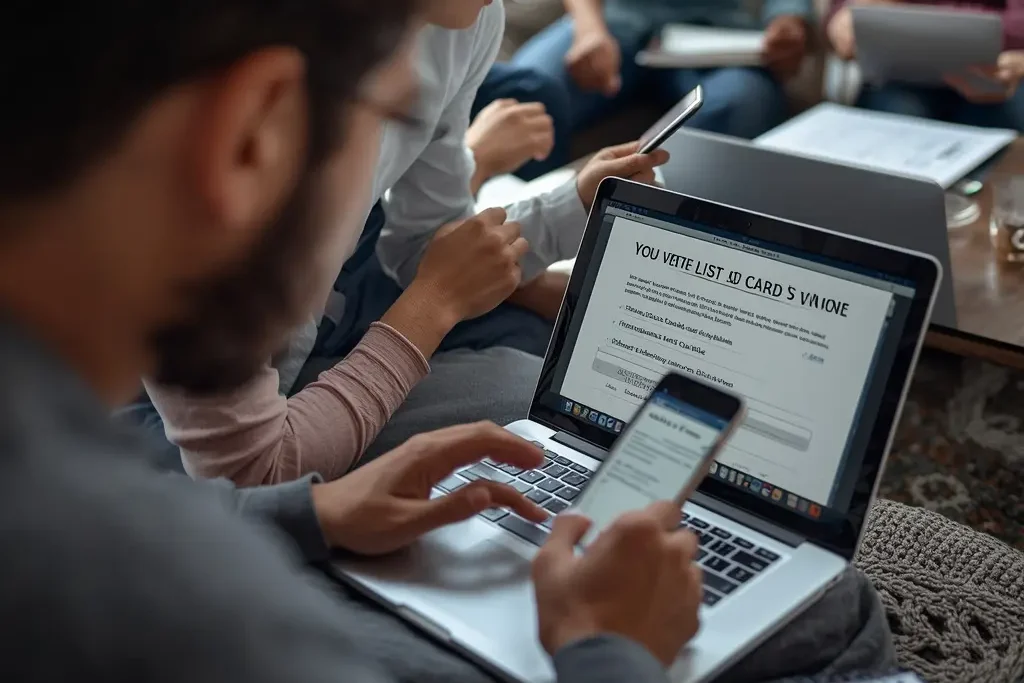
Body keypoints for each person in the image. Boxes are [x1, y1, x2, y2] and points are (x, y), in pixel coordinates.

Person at [0, 2, 715, 681]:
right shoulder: (216, 619)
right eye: (386, 116)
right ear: (251, 131)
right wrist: (607, 651)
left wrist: (312, 514)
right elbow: (239, 472)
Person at [137, 0, 670, 485]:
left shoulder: (464, 24)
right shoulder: (239, 109)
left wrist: (571, 206)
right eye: (388, 111)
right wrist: (432, 304)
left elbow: (422, 242)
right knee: (547, 400)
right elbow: (254, 471)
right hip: (181, 419)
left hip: (303, 346)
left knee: (554, 372)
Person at [507, 0, 813, 170]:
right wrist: (589, 29)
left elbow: (789, 13)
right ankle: (526, 243)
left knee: (742, 103)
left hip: (716, 36)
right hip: (615, 22)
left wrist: (789, 20)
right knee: (526, 93)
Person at [827, 0, 1024, 131]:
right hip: (897, 75)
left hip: (1002, 73)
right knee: (895, 124)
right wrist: (843, 22)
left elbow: (1018, 24)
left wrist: (896, 12)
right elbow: (840, 14)